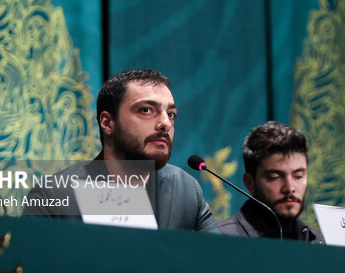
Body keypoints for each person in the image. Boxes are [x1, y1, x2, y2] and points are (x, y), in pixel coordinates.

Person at [22, 69, 219, 233]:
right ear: (107, 122)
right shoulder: (52, 196)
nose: (165, 123)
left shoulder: (185, 189)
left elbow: (222, 261)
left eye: (171, 114)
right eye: (146, 110)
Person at [218, 121, 323, 242]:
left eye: (298, 176)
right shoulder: (221, 239)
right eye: (274, 177)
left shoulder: (322, 243)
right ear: (250, 183)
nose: (289, 188)